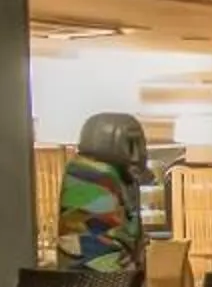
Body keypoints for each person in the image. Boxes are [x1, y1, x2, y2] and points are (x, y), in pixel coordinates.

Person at [56, 112, 147, 271]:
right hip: (96, 280)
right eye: (131, 144)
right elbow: (98, 247)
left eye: (140, 144)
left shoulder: (122, 178)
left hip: (121, 276)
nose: (137, 155)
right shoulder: (88, 175)